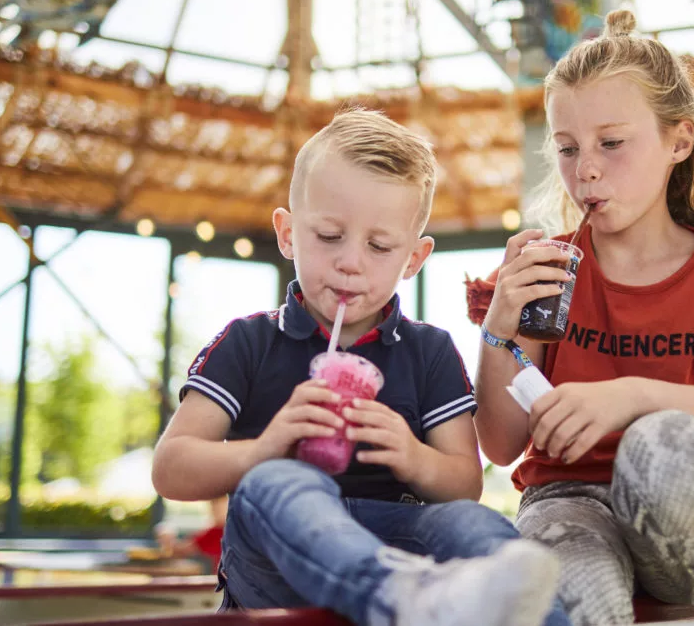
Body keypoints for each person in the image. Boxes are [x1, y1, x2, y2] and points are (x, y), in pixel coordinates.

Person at [466, 9, 694, 626]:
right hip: (567, 501)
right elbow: (501, 446)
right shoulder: (548, 271)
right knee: (564, 577)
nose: (586, 168)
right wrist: (498, 328)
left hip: (685, 498)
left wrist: (628, 397)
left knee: (660, 442)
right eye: (567, 147)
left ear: (679, 141)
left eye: (611, 142)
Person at [152, 108, 564, 626]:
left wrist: (411, 456)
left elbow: (464, 482)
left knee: (471, 524)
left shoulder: (428, 350)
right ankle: (394, 595)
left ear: (413, 259)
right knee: (271, 484)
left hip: (391, 538)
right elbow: (171, 468)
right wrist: (264, 449)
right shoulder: (248, 341)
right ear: (287, 234)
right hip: (273, 560)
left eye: (379, 246)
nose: (351, 261)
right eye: (328, 236)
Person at [155, 496, 227, 573]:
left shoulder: (217, 532)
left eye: (217, 507)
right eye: (213, 506)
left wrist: (167, 540)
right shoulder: (215, 531)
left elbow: (181, 550)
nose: (214, 509)